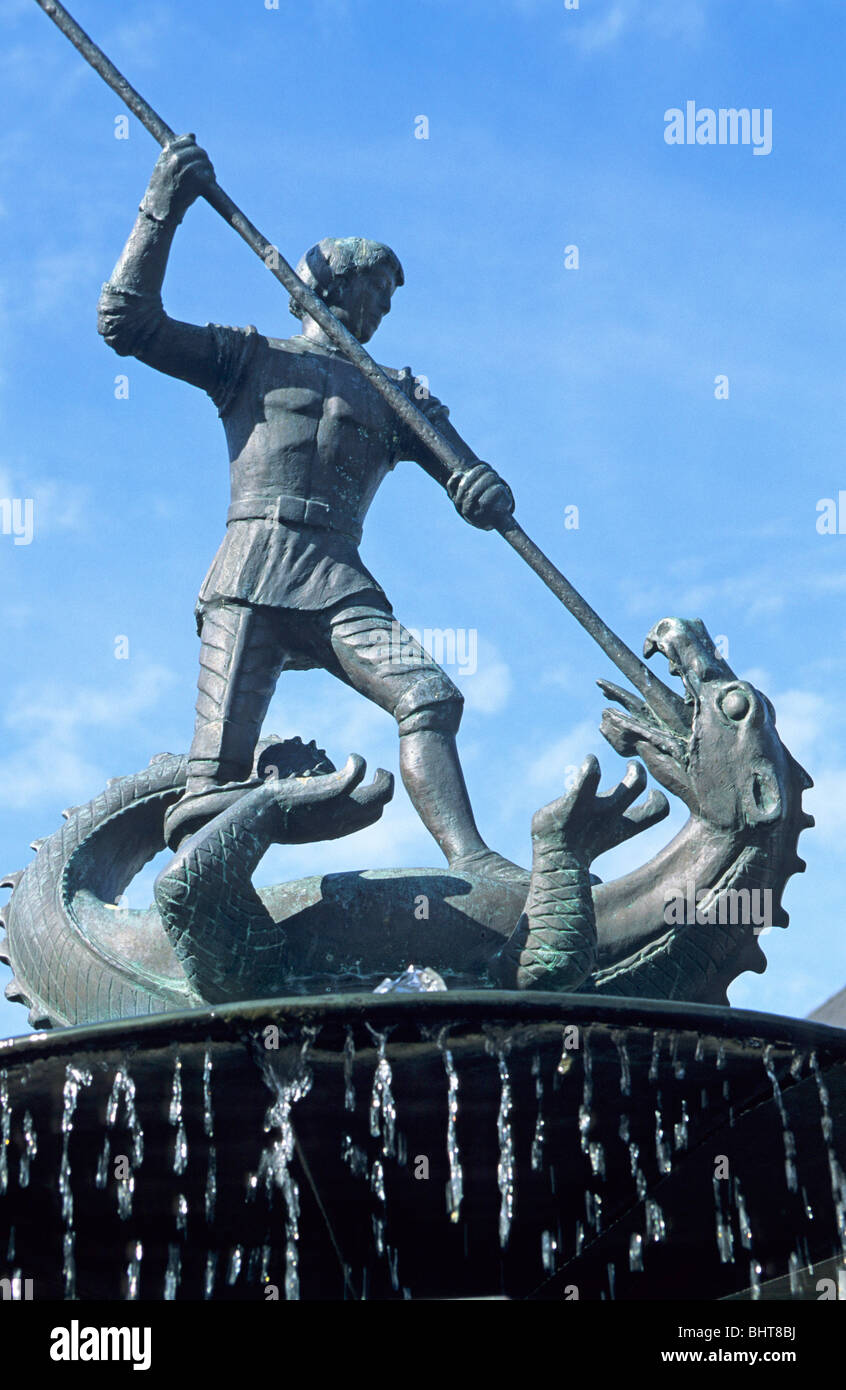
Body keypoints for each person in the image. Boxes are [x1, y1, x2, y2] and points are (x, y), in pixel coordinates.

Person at [98, 135, 523, 880]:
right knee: (216, 786)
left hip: (337, 580)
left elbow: (469, 480)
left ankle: (474, 863)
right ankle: (207, 921)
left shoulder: (399, 395)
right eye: (377, 291)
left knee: (429, 695)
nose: (384, 310)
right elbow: (125, 322)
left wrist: (483, 487)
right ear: (334, 285)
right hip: (249, 570)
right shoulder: (249, 357)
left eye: (390, 301)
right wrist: (164, 203)